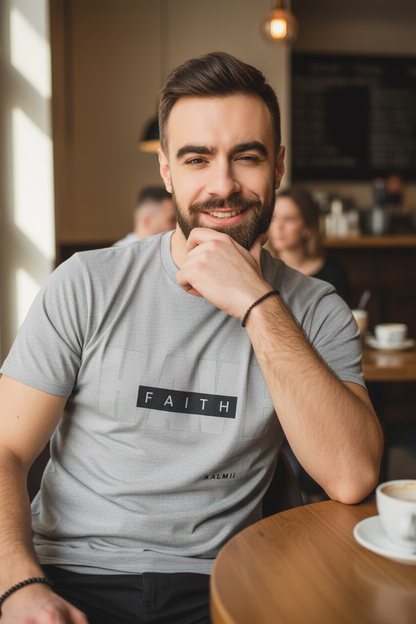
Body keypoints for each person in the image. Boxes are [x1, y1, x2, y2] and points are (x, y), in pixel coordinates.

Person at [0, 52, 383, 624]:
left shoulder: (316, 308)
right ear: (166, 171)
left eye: (247, 157)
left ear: (278, 167)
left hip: (225, 581)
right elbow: (6, 450)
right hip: (68, 574)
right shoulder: (87, 283)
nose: (223, 184)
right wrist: (18, 586)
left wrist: (255, 302)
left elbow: (351, 475)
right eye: (198, 159)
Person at [268, 187, 350, 303]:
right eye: (274, 218)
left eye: (289, 219)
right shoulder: (262, 270)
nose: (279, 227)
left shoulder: (334, 271)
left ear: (307, 227)